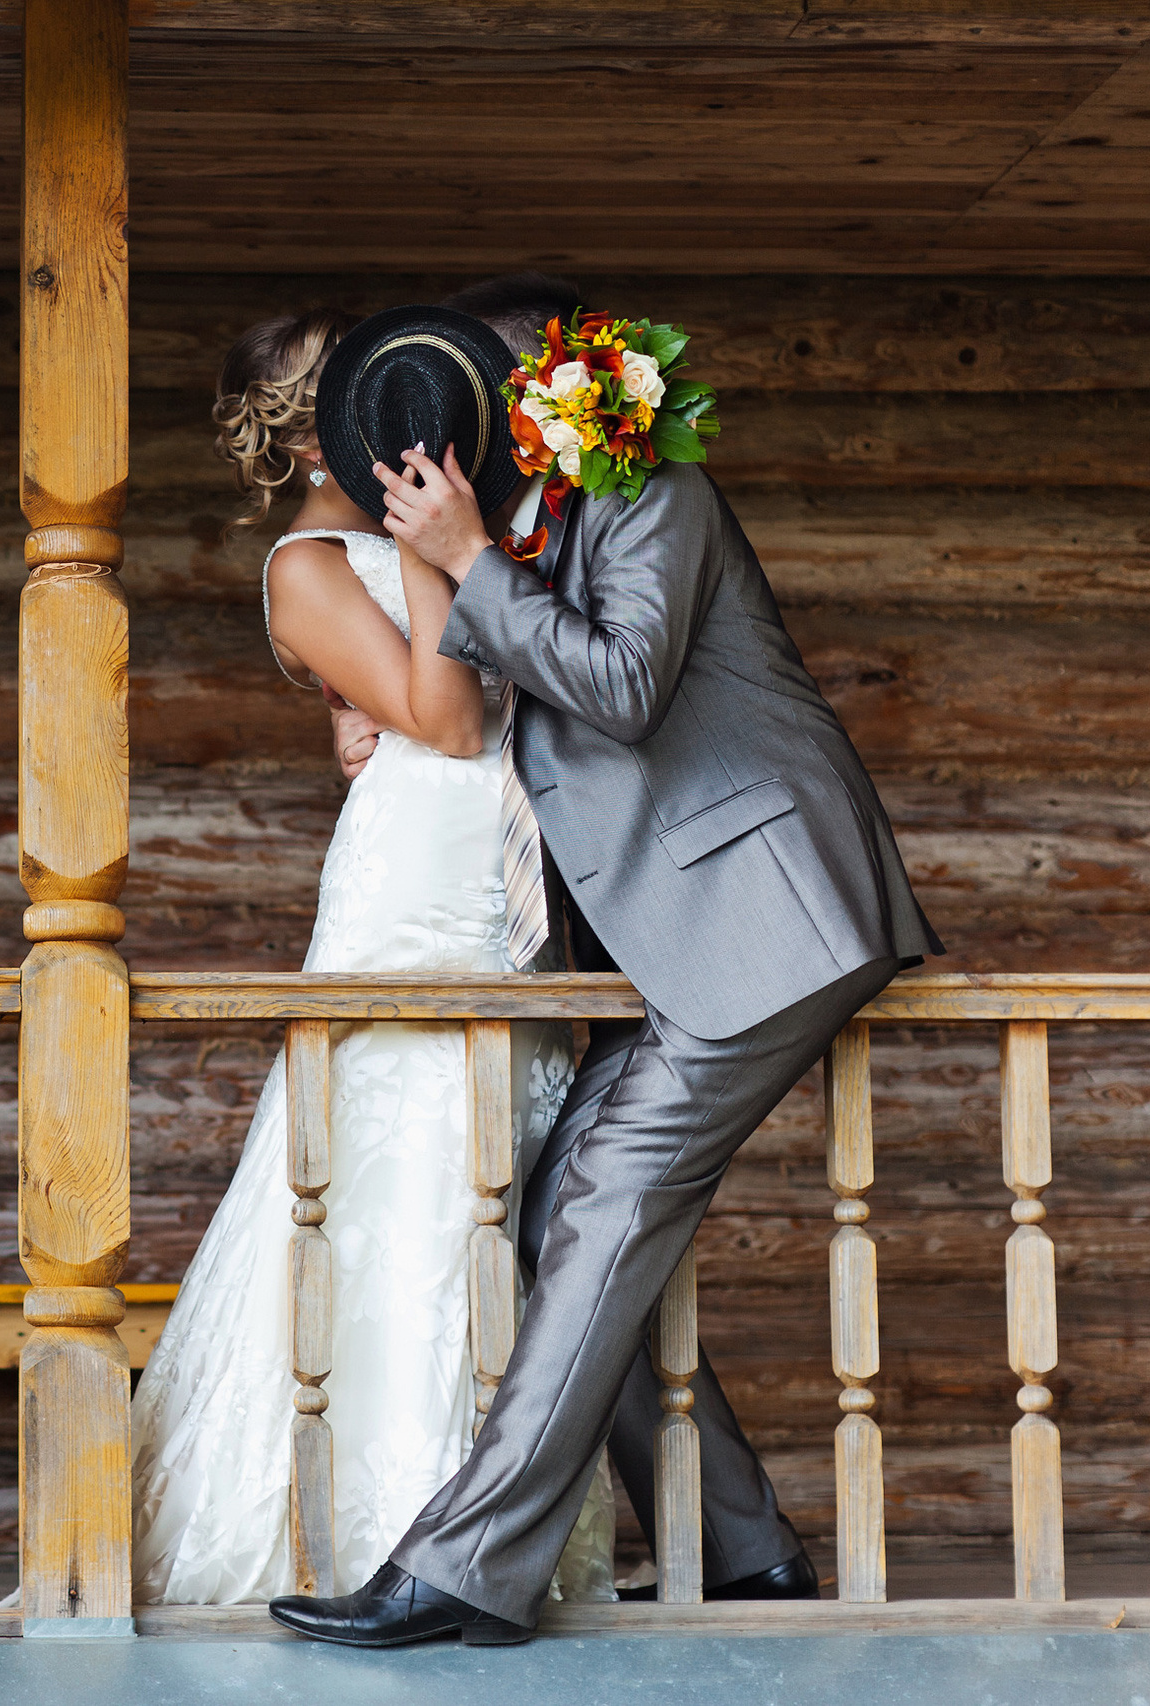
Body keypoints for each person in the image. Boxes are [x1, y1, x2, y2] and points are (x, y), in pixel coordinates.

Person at [267, 278, 941, 1649]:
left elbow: (624, 684)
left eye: (493, 392)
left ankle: (465, 1570)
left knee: (603, 1206)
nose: (477, 425)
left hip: (768, 913)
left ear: (556, 391)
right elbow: (475, 703)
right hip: (693, 938)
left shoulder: (655, 493)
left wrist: (464, 558)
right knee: (547, 1217)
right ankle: (744, 1548)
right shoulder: (528, 525)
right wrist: (358, 697)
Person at [128, 306, 614, 1607]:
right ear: (309, 426)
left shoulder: (428, 526)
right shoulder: (304, 568)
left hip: (494, 875)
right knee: (403, 1182)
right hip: (414, 889)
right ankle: (384, 1521)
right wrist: (436, 558)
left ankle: (488, 1523)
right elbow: (449, 723)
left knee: (502, 1183)